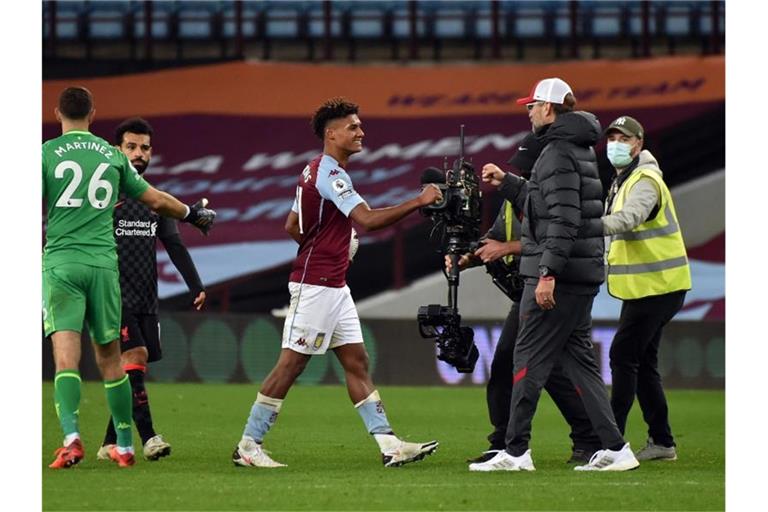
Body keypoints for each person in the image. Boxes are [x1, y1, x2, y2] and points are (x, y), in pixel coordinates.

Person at [231, 97, 443, 468]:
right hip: (315, 285)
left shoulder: (311, 171)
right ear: (332, 134)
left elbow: (292, 226)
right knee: (291, 366)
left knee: (357, 362)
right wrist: (419, 201)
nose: (361, 132)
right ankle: (249, 445)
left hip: (333, 284)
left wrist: (326, 245)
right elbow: (369, 220)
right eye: (353, 127)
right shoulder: (331, 175)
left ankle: (389, 444)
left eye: (360, 125)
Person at [469, 78, 639, 472]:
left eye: (532, 106)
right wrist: (509, 183)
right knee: (580, 363)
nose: (528, 112)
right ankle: (615, 448)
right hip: (579, 273)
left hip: (559, 277)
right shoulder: (573, 150)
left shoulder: (557, 152)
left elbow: (562, 219)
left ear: (548, 109)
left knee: (526, 358)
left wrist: (547, 273)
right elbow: (547, 203)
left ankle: (515, 451)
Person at [43, 87, 216, 469]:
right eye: (134, 146)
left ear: (58, 113)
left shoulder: (44, 155)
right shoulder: (111, 160)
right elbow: (156, 199)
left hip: (67, 265)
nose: (139, 153)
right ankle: (130, 442)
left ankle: (75, 438)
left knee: (68, 359)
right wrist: (192, 213)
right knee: (116, 361)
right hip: (107, 272)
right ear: (93, 114)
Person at [455, 132, 602, 466]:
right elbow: (493, 239)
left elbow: (565, 237)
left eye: (528, 167)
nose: (522, 174)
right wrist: (468, 258)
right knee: (526, 364)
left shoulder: (557, 197)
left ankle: (518, 445)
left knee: (531, 363)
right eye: (520, 169)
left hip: (555, 287)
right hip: (531, 290)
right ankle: (511, 441)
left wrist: (507, 249)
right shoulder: (513, 201)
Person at [95, 118, 207, 463]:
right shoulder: (102, 194)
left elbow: (173, 243)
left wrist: (196, 285)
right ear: (117, 150)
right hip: (112, 295)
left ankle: (108, 442)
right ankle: (149, 437)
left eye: (144, 147)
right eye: (131, 146)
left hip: (146, 296)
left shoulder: (154, 199)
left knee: (134, 368)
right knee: (135, 357)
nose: (138, 153)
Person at [602, 115, 691, 461]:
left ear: (638, 143)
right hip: (650, 286)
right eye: (612, 137)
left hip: (658, 286)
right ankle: (662, 442)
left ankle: (611, 442)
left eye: (623, 139)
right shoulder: (625, 177)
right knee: (641, 361)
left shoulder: (645, 179)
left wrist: (585, 226)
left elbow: (630, 218)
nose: (616, 144)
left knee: (623, 355)